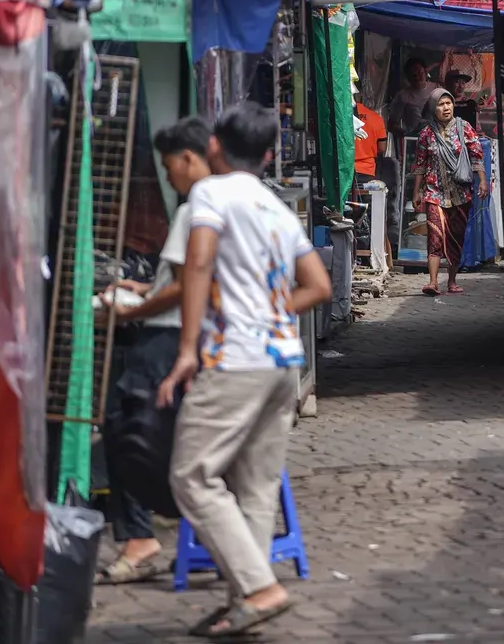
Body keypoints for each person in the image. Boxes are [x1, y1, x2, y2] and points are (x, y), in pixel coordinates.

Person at [159, 103, 332, 638]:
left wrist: (188, 348)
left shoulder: (210, 193)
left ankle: (258, 589)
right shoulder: (274, 205)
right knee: (255, 489)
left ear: (213, 146)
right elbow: (319, 286)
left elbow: (201, 262)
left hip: (235, 359)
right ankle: (246, 601)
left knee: (192, 476)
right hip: (282, 362)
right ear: (265, 155)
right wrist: (270, 315)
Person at [95, 117, 212, 586]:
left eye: (168, 167)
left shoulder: (196, 207)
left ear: (188, 158)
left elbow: (186, 287)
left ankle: (138, 537)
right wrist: (146, 285)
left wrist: (130, 310)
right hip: (187, 334)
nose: (167, 177)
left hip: (166, 337)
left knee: (124, 429)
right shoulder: (225, 202)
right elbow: (181, 280)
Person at [411, 88, 489, 297]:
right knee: (434, 237)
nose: (445, 108)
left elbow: (476, 156)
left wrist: (482, 181)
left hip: (460, 194)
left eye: (448, 103)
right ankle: (433, 282)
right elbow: (420, 165)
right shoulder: (426, 134)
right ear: (433, 109)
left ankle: (452, 281)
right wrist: (416, 192)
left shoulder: (465, 128)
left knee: (456, 237)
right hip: (434, 192)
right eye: (440, 104)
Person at [387, 57, 439, 138]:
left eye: (419, 73)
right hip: (415, 140)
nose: (417, 77)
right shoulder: (403, 96)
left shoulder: (437, 88)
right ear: (408, 77)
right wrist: (408, 134)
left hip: (437, 138)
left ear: (425, 71)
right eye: (413, 75)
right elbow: (392, 125)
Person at [354, 100, 387, 187]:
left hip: (344, 171)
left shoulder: (341, 118)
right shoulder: (376, 118)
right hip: (367, 170)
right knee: (366, 199)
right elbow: (382, 147)